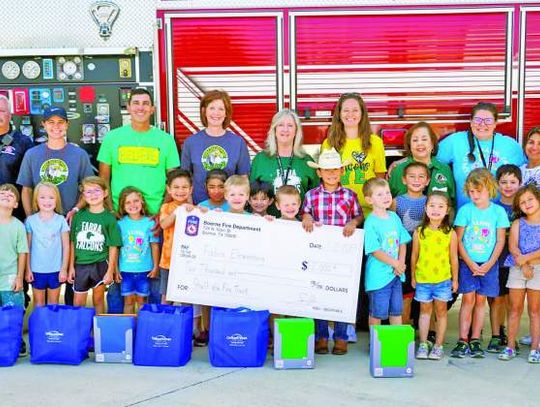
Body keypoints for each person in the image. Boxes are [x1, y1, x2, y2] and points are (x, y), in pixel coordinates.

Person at [17, 106, 93, 306]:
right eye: (51, 122)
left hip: (70, 222)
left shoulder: (79, 155)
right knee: (42, 268)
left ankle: (66, 318)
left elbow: (88, 189)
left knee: (69, 272)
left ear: (67, 124)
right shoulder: (33, 154)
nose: (56, 127)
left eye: (61, 122)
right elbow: (26, 189)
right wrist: (31, 218)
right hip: (42, 225)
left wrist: (76, 209)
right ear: (43, 125)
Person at [302, 148, 363, 355]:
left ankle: (340, 337)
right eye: (326, 170)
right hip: (318, 253)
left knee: (340, 295)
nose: (331, 174)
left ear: (342, 171)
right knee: (319, 294)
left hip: (342, 254)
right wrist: (307, 218)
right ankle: (320, 336)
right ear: (319, 172)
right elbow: (305, 213)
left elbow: (358, 216)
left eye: (335, 169)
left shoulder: (350, 195)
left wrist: (353, 223)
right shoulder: (311, 195)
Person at [451, 169, 510, 358]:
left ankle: (475, 338)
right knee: (468, 300)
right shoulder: (465, 210)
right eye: (471, 192)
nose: (475, 195)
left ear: (490, 189)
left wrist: (489, 263)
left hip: (488, 264)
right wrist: (469, 262)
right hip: (468, 263)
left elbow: (501, 240)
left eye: (479, 191)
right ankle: (463, 339)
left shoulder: (498, 212)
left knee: (481, 301)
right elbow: (458, 240)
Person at [97, 88, 180, 215]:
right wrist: (111, 210)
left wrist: (162, 213)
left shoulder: (167, 140)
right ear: (128, 108)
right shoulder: (111, 138)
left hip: (154, 215)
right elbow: (103, 179)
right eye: (136, 103)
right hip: (121, 214)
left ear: (152, 109)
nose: (140, 108)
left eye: (145, 103)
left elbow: (173, 182)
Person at [437, 102, 526, 208]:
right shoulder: (455, 141)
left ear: (495, 123)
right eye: (477, 120)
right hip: (466, 217)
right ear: (470, 122)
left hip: (502, 216)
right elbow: (431, 162)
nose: (482, 124)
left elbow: (525, 176)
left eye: (488, 120)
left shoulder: (511, 146)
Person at [321, 93, 386, 215]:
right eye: (346, 110)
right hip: (339, 209)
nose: (350, 114)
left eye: (355, 110)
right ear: (339, 114)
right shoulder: (329, 143)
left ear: (362, 113)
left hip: (368, 210)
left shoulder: (375, 142)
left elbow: (379, 178)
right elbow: (326, 179)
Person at [411, 192, 458, 360]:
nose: (436, 210)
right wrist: (413, 277)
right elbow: (414, 256)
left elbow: (454, 258)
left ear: (447, 211)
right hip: (423, 279)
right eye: (432, 206)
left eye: (440, 206)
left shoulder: (450, 233)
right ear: (425, 209)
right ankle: (423, 344)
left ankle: (438, 345)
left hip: (443, 280)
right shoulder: (419, 232)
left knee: (441, 313)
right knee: (424, 312)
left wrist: (455, 279)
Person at [181, 90, 250, 204]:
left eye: (221, 109)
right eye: (212, 108)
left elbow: (243, 179)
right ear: (204, 111)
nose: (216, 113)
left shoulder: (238, 143)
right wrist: (189, 205)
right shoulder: (191, 142)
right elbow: (185, 179)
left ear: (226, 113)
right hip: (199, 207)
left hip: (229, 209)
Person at [498, 184, 540, 363]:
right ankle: (510, 347)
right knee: (514, 309)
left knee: (535, 310)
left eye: (530, 199)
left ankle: (535, 348)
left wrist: (527, 260)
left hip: (537, 268)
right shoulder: (517, 223)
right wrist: (522, 263)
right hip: (517, 268)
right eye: (522, 202)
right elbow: (513, 246)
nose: (527, 204)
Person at [68, 176, 122, 314]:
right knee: (78, 302)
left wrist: (110, 271)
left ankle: (97, 331)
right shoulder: (78, 216)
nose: (93, 195)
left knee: (98, 300)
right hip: (80, 265)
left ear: (105, 193)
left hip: (100, 264)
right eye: (88, 192)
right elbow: (72, 242)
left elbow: (113, 246)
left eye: (97, 190)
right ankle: (79, 332)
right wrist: (70, 267)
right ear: (83, 196)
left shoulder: (109, 218)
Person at [250, 109, 318, 216]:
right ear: (274, 130)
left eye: (290, 125)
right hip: (267, 224)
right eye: (281, 125)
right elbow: (250, 194)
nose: (285, 129)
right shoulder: (260, 159)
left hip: (299, 225)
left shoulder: (307, 161)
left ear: (296, 131)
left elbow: (316, 197)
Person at [363, 178, 411, 328]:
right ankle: (375, 344)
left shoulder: (394, 217)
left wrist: (401, 263)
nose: (386, 197)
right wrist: (395, 263)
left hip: (396, 274)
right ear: (369, 200)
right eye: (380, 194)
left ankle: (394, 343)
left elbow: (402, 241)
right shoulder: (370, 222)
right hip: (379, 276)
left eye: (388, 193)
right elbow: (374, 250)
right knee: (377, 312)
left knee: (396, 310)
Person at [487, 164, 522, 352]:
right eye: (503, 182)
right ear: (497, 184)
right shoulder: (493, 207)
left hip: (516, 263)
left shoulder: (523, 207)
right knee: (496, 299)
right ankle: (495, 335)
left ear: (520, 183)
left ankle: (509, 334)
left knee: (512, 302)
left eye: (513, 182)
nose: (508, 186)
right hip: (497, 261)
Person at [390, 162, 430, 325]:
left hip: (425, 253)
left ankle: (429, 331)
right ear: (404, 180)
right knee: (405, 292)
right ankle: (405, 327)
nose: (416, 180)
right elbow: (390, 228)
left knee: (426, 292)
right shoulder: (396, 202)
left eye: (421, 177)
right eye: (412, 176)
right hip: (404, 253)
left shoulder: (430, 202)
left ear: (427, 181)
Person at [25, 182, 69, 306]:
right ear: (36, 200)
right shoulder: (30, 221)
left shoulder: (61, 220)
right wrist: (27, 269)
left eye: (51, 197)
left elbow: (66, 247)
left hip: (56, 269)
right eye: (42, 197)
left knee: (53, 304)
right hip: (36, 269)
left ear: (57, 200)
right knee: (38, 304)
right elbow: (26, 247)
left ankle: (52, 326)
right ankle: (39, 326)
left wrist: (64, 269)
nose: (47, 201)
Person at [117, 187, 159, 314]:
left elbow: (154, 245)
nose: (132, 205)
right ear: (122, 206)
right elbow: (116, 248)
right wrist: (115, 269)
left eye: (135, 201)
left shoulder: (150, 223)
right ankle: (128, 331)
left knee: (142, 301)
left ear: (142, 202)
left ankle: (141, 329)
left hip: (144, 270)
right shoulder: (120, 224)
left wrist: (155, 266)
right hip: (125, 270)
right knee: (128, 302)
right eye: (128, 202)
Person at [388, 121, 455, 203]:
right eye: (415, 140)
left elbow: (452, 202)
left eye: (424, 139)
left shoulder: (444, 169)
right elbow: (388, 201)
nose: (419, 143)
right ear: (410, 145)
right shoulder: (398, 170)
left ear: (432, 143)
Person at [0, 184, 28, 356]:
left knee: (14, 312)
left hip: (10, 276)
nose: (6, 195)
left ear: (16, 205)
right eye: (2, 193)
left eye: (11, 195)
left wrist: (20, 277)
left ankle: (16, 342)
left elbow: (22, 252)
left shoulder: (18, 226)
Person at [159, 169, 193, 304]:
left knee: (186, 297)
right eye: (176, 187)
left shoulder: (194, 209)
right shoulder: (166, 207)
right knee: (166, 296)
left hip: (187, 262)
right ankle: (164, 322)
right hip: (168, 261)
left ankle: (189, 324)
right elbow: (164, 224)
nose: (180, 191)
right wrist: (178, 211)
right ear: (169, 189)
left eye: (184, 187)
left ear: (191, 189)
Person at [0, 95, 33, 206]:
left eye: (1, 111)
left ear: (10, 116)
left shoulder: (23, 142)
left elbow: (30, 182)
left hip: (12, 209)